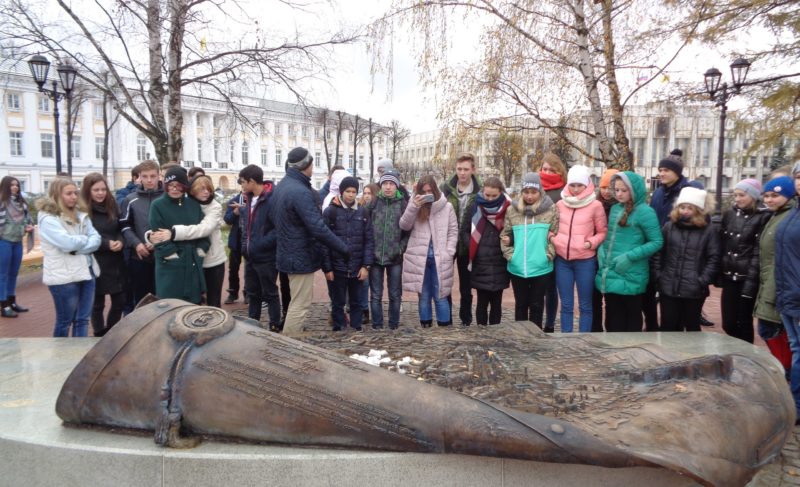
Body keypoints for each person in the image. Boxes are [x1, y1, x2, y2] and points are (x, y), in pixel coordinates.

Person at [269, 147, 349, 336]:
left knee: (296, 300)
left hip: (287, 253)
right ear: (307, 165)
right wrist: (343, 248)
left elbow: (273, 219)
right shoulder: (300, 191)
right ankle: (290, 345)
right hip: (298, 256)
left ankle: (290, 339)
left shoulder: (282, 186)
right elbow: (318, 227)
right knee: (300, 304)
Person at [596, 172, 663, 332]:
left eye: (623, 190)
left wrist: (630, 257)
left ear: (634, 190)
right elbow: (611, 237)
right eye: (616, 190)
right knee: (612, 319)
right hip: (611, 270)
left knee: (630, 319)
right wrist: (602, 250)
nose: (619, 194)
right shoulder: (614, 209)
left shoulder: (645, 212)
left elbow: (657, 241)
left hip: (632, 272)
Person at [37, 178, 101, 337]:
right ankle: (60, 357)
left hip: (87, 272)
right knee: (64, 321)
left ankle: (79, 355)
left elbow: (96, 239)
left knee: (82, 320)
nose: (73, 197)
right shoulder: (48, 218)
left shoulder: (81, 215)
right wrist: (84, 240)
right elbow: (66, 244)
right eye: (68, 193)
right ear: (56, 195)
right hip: (64, 278)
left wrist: (78, 246)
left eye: (75, 193)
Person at [151, 175, 226, 307]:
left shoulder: (215, 207)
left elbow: (203, 229)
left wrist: (174, 233)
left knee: (213, 301)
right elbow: (160, 227)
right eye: (201, 189)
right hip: (191, 262)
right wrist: (150, 235)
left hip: (212, 260)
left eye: (209, 189)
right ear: (193, 190)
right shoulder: (188, 203)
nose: (206, 192)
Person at [653, 187, 720, 332]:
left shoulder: (708, 230)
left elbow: (713, 258)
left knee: (692, 327)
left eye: (690, 208)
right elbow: (659, 252)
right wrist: (659, 275)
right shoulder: (669, 227)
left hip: (694, 289)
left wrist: (702, 280)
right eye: (682, 207)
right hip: (668, 286)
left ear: (698, 209)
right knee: (668, 325)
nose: (685, 211)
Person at [551, 165, 607, 333]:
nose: (575, 189)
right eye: (572, 185)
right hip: (563, 261)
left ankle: (584, 338)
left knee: (585, 304)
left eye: (579, 185)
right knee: (566, 304)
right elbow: (551, 227)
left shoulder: (595, 205)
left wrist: (591, 243)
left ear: (586, 184)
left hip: (585, 261)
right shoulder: (560, 204)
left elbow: (603, 232)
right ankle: (566, 337)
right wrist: (553, 238)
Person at [500, 173, 558, 329]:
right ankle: (520, 336)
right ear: (521, 192)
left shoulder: (550, 209)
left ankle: (535, 338)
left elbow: (555, 234)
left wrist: (548, 255)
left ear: (540, 191)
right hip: (518, 267)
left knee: (537, 305)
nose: (530, 196)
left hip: (541, 267)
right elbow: (505, 234)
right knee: (521, 305)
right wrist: (511, 256)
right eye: (526, 192)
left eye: (533, 192)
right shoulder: (512, 210)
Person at [399, 175, 458, 327]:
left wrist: (449, 251)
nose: (427, 195)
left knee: (441, 295)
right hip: (420, 258)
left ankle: (444, 328)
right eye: (423, 191)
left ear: (435, 190)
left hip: (440, 258)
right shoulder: (415, 205)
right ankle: (425, 327)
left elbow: (453, 231)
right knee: (424, 296)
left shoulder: (447, 207)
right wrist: (414, 206)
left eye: (429, 191)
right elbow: (404, 225)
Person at [718, 179, 770, 343]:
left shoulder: (763, 217)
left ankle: (746, 356)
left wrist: (751, 282)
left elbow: (757, 252)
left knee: (743, 321)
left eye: (742, 195)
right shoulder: (730, 214)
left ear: (754, 196)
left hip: (747, 277)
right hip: (729, 276)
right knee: (728, 323)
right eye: (735, 195)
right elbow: (722, 242)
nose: (738, 199)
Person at [147, 166, 209, 304]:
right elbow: (157, 235)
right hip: (169, 264)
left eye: (178, 185)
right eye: (170, 185)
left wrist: (201, 250)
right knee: (170, 305)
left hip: (192, 261)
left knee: (193, 307)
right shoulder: (157, 205)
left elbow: (202, 231)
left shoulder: (193, 205)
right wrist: (172, 255)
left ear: (184, 187)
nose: (174, 189)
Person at [645, 148, 691, 331]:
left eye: (666, 170)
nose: (661, 173)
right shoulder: (658, 193)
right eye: (660, 169)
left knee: (673, 304)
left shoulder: (687, 192)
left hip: (677, 252)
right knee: (650, 294)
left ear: (677, 173)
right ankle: (652, 327)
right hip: (656, 249)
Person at [755, 176, 797, 375]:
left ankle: (785, 372)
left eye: (775, 196)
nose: (769, 200)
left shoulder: (786, 218)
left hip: (778, 287)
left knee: (773, 331)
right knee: (770, 331)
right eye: (766, 196)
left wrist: (771, 292)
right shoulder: (776, 216)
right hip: (770, 285)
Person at [323, 176, 374, 331]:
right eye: (348, 191)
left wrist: (366, 265)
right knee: (338, 301)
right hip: (337, 265)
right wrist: (327, 268)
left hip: (357, 265)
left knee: (356, 301)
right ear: (341, 192)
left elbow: (369, 240)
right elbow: (324, 242)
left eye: (354, 191)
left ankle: (356, 327)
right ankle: (339, 328)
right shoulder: (330, 212)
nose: (351, 195)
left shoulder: (363, 212)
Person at [236, 165, 281, 329]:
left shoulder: (271, 200)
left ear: (252, 181)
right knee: (253, 293)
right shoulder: (248, 199)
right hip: (250, 257)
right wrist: (245, 246)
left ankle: (275, 324)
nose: (241, 186)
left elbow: (278, 230)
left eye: (243, 182)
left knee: (270, 293)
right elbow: (246, 227)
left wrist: (258, 245)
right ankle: (252, 325)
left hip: (266, 257)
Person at [463, 177, 511, 326]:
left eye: (494, 196)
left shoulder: (509, 208)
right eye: (487, 195)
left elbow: (514, 231)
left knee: (497, 303)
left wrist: (510, 240)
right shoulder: (474, 206)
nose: (489, 199)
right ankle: (481, 333)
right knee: (481, 303)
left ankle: (496, 334)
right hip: (480, 262)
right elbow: (464, 231)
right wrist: (472, 245)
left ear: (501, 193)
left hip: (499, 262)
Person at [81, 173, 126, 336]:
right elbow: (85, 236)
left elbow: (120, 227)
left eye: (103, 189)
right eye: (96, 190)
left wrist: (120, 241)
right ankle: (99, 334)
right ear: (88, 191)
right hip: (96, 260)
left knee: (120, 300)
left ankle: (111, 332)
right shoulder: (83, 210)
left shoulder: (112, 205)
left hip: (115, 260)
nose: (100, 193)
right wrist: (107, 244)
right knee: (97, 304)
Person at [442, 152, 482, 326]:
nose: (462, 173)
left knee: (466, 286)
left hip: (468, 243)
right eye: (459, 169)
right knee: (445, 282)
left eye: (466, 169)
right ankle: (446, 318)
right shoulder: (446, 188)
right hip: (448, 242)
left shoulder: (480, 191)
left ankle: (466, 319)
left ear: (473, 169)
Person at [368, 170, 409, 330]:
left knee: (394, 294)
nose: (388, 187)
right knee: (376, 294)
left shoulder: (403, 204)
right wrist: (370, 249)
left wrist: (400, 248)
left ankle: (393, 324)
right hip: (375, 256)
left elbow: (408, 231)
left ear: (396, 186)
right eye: (385, 183)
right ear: (381, 185)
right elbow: (366, 228)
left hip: (395, 257)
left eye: (391, 184)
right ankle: (377, 324)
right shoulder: (374, 203)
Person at [775, 163, 800, 423]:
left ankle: (797, 405)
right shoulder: (793, 211)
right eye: (798, 176)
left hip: (797, 294)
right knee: (796, 349)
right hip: (788, 294)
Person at [119, 160, 163, 304]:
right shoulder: (130, 200)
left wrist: (157, 243)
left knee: (162, 299)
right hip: (139, 257)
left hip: (163, 256)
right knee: (141, 300)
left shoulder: (166, 198)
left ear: (159, 176)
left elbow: (174, 225)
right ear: (139, 177)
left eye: (152, 176)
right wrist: (136, 244)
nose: (149, 180)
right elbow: (124, 226)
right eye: (145, 176)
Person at [532, 153, 567, 332]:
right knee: (536, 286)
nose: (546, 172)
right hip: (534, 242)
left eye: (551, 170)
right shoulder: (534, 189)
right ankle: (534, 321)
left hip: (554, 242)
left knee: (550, 288)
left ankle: (550, 323)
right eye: (544, 169)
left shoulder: (563, 191)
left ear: (559, 171)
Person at [0, 176, 33, 318]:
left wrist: (28, 226)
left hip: (17, 241)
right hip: (4, 241)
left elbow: (26, 219)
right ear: (6, 186)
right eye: (12, 185)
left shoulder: (22, 204)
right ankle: (4, 305)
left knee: (13, 273)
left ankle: (12, 301)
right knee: (2, 275)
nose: (15, 188)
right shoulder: (2, 203)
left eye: (17, 185)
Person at [591, 168, 618, 332]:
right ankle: (595, 329)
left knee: (610, 297)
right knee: (594, 297)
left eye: (610, 188)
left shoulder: (620, 207)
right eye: (603, 187)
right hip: (594, 256)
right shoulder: (594, 204)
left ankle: (610, 328)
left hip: (612, 258)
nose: (607, 191)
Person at [358, 183, 380, 324]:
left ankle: (375, 312)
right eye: (365, 193)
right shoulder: (359, 209)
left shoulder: (378, 210)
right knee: (364, 283)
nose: (366, 196)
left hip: (377, 252)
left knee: (375, 285)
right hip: (363, 252)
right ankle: (364, 310)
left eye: (369, 193)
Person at [223, 187, 246, 304]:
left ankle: (248, 293)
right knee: (233, 268)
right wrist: (235, 212)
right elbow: (227, 219)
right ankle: (233, 293)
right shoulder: (233, 201)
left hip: (250, 239)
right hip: (236, 239)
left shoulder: (255, 200)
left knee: (250, 269)